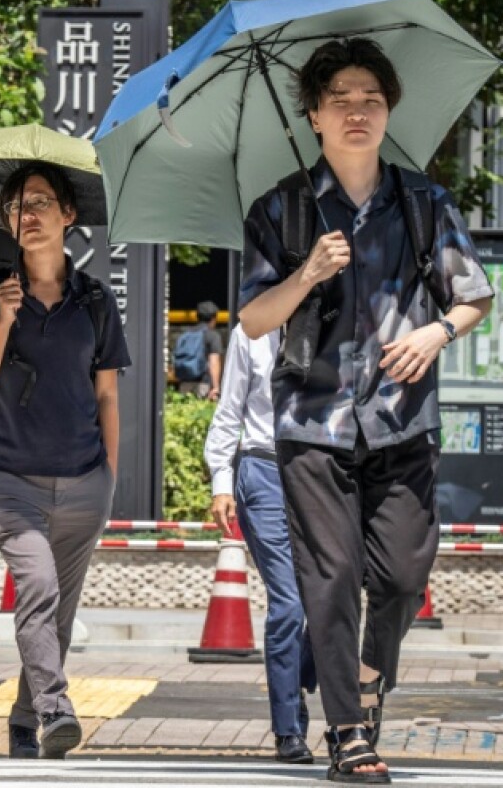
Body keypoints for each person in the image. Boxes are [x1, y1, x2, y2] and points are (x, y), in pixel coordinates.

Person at [237, 38, 494, 784]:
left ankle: (373, 672)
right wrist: (309, 271)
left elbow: (473, 296)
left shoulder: (424, 202)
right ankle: (348, 732)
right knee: (331, 573)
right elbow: (254, 319)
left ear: (388, 112)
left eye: (371, 99)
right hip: (311, 425)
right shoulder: (280, 210)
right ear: (313, 115)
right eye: (340, 99)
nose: (357, 110)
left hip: (402, 419)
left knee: (406, 575)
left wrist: (436, 332)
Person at [0, 162, 130, 760]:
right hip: (11, 480)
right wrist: (6, 318)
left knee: (57, 612)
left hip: (85, 480)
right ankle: (57, 707)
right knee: (36, 589)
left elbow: (107, 393)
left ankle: (23, 720)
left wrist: (108, 476)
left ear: (68, 215)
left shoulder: (95, 299)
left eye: (38, 203)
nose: (25, 216)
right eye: (14, 207)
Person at [204, 324, 317, 765]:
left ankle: (297, 678)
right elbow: (229, 409)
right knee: (289, 604)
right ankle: (288, 727)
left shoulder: (336, 326)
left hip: (320, 473)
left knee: (331, 602)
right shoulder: (250, 332)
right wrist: (221, 480)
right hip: (263, 470)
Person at [174, 300, 224, 400]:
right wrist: (216, 387)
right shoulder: (212, 336)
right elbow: (214, 362)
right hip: (203, 384)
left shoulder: (185, 335)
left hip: (184, 384)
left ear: (197, 316)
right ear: (214, 318)